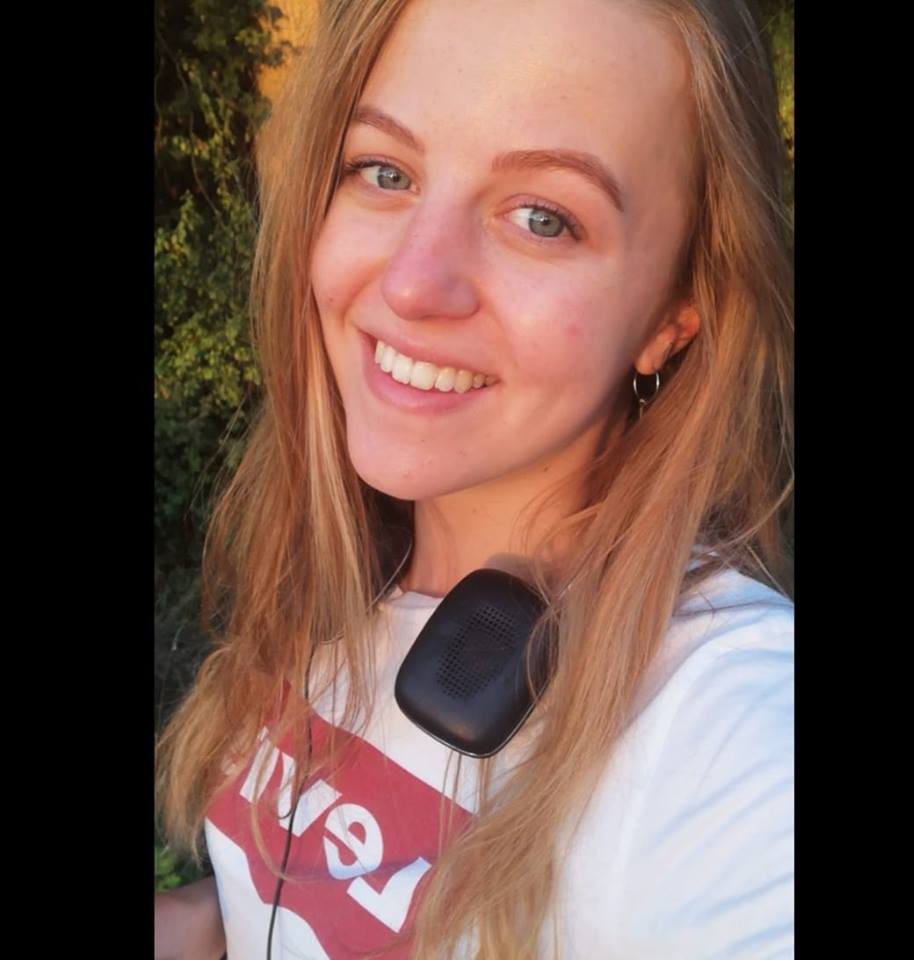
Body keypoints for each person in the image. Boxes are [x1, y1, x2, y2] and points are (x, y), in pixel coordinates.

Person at [155, 0, 794, 957]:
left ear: (672, 315)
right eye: (385, 171)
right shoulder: (338, 573)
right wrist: (204, 918)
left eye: (543, 218)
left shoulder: (720, 723)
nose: (412, 283)